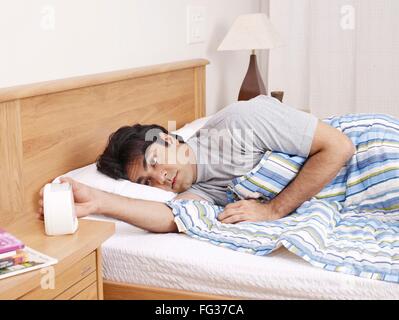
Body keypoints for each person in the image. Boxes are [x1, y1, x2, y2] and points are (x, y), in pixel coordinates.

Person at [37, 95, 355, 233]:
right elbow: (170, 218)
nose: (161, 178)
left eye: (154, 162)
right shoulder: (197, 190)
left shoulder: (238, 122)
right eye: (148, 182)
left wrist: (273, 210)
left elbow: (339, 146)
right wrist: (99, 201)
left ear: (171, 140)